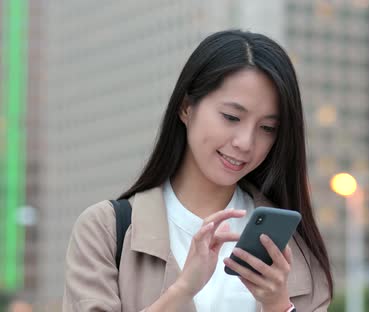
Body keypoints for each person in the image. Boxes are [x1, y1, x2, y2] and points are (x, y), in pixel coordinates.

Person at [63, 29, 333, 312]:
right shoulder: (105, 230)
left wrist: (278, 305)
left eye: (267, 128)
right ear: (186, 108)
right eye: (231, 117)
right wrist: (183, 290)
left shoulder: (295, 246)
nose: (245, 142)